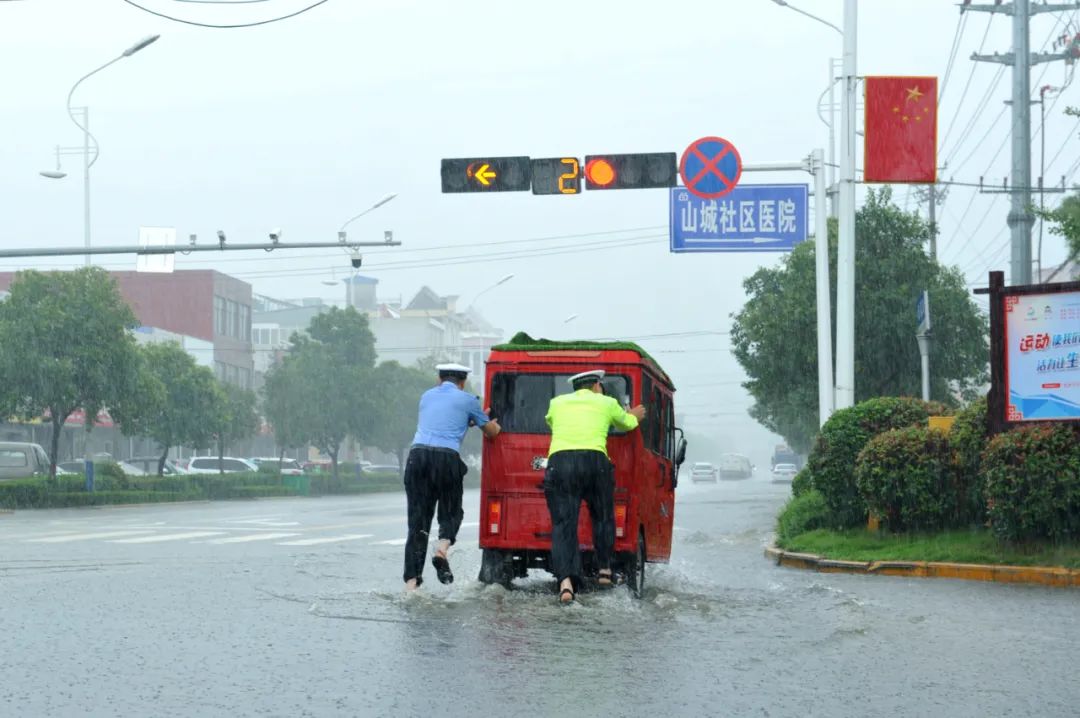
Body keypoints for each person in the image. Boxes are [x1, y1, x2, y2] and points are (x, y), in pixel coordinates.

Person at [543, 369, 646, 604]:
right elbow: (628, 424)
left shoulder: (557, 403)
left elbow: (551, 422)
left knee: (563, 525)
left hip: (561, 462)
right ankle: (604, 569)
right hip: (595, 462)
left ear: (575, 388)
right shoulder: (607, 402)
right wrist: (635, 414)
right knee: (602, 515)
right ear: (597, 386)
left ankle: (566, 583)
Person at [403, 362, 501, 591]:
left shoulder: (426, 396)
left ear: (439, 379)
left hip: (417, 457)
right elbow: (491, 432)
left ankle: (411, 584)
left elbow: (442, 421)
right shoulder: (469, 400)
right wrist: (487, 422)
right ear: (463, 382)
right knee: (451, 511)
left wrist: (469, 419)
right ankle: (442, 548)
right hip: (446, 459)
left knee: (417, 522)